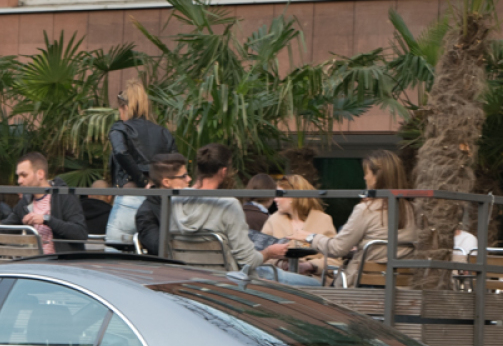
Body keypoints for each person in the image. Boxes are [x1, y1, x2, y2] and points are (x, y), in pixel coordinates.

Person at [135, 147, 319, 286]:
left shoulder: (173, 202)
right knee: (315, 284)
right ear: (223, 171)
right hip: (231, 280)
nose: (188, 179)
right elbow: (248, 262)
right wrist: (270, 252)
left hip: (190, 277)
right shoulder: (227, 204)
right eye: (183, 176)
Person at [298, 149, 417, 286]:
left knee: (295, 285)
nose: (364, 178)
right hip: (400, 287)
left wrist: (309, 237)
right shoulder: (413, 209)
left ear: (377, 176)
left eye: (366, 173)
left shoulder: (367, 209)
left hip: (361, 287)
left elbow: (337, 249)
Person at [10, 152, 88, 253]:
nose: (19, 181)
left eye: (24, 175)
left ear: (40, 174)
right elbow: (5, 228)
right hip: (35, 264)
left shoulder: (64, 196)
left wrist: (47, 219)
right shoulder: (25, 202)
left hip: (63, 264)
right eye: (18, 176)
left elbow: (80, 233)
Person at [262, 173, 338, 275]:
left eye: (279, 194)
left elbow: (335, 259)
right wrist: (281, 264)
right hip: (279, 277)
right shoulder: (273, 220)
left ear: (292, 197)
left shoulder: (323, 220)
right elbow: (261, 254)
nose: (275, 199)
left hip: (313, 279)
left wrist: (311, 265)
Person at [108, 79, 175, 188]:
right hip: (158, 195)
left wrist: (142, 181)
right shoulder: (163, 132)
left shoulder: (121, 128)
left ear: (124, 107)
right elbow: (175, 162)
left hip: (129, 192)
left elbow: (120, 152)